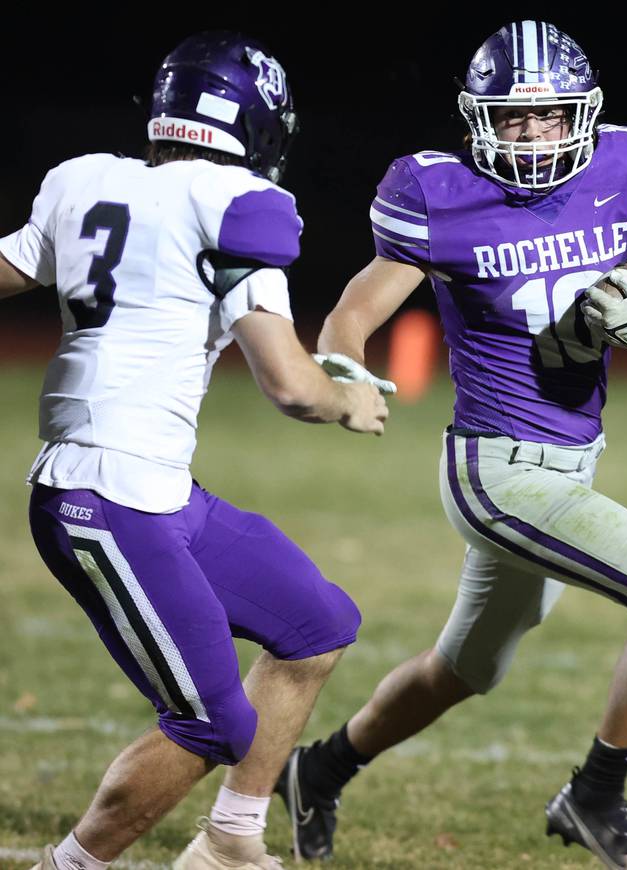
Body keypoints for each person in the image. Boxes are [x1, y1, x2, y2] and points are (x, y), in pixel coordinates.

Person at [276, 19, 627, 870]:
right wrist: (343, 376)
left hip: (571, 459)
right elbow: (353, 310)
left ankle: (319, 769)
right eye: (512, 119)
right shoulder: (437, 192)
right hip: (499, 472)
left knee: (465, 669)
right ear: (477, 118)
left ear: (583, 115)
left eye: (551, 116)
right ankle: (595, 794)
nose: (531, 135)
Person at [0, 30, 389, 870]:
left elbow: (11, 269)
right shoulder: (243, 204)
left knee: (316, 627)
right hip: (102, 498)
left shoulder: (83, 179)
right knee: (211, 723)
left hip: (154, 489)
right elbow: (288, 384)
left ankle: (229, 839)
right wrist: (348, 401)